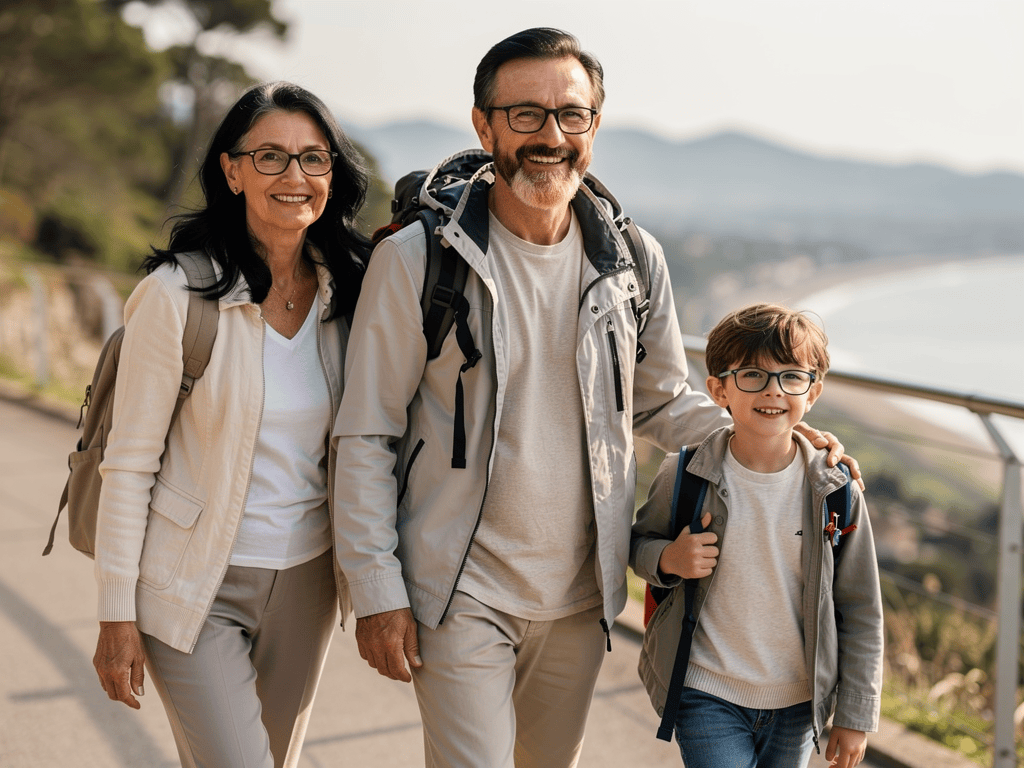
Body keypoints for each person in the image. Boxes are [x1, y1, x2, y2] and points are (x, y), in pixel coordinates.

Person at [331, 28, 858, 768]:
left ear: (593, 127)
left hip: (582, 599)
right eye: (525, 115)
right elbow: (366, 434)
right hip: (456, 589)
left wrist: (783, 436)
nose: (551, 136)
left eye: (569, 115)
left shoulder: (633, 260)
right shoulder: (417, 258)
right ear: (484, 125)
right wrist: (377, 587)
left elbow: (662, 400)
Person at [91, 81, 371, 768]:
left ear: (333, 174)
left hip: (307, 583)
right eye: (270, 156)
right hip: (194, 584)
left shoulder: (353, 293)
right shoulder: (175, 295)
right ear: (232, 169)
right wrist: (114, 613)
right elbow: (128, 466)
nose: (294, 176)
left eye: (314, 158)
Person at [631, 303, 883, 768]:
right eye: (753, 375)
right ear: (718, 389)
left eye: (792, 377)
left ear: (813, 391)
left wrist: (855, 714)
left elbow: (862, 609)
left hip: (796, 702)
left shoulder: (836, 491)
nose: (773, 391)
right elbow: (637, 545)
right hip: (704, 690)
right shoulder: (684, 473)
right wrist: (669, 558)